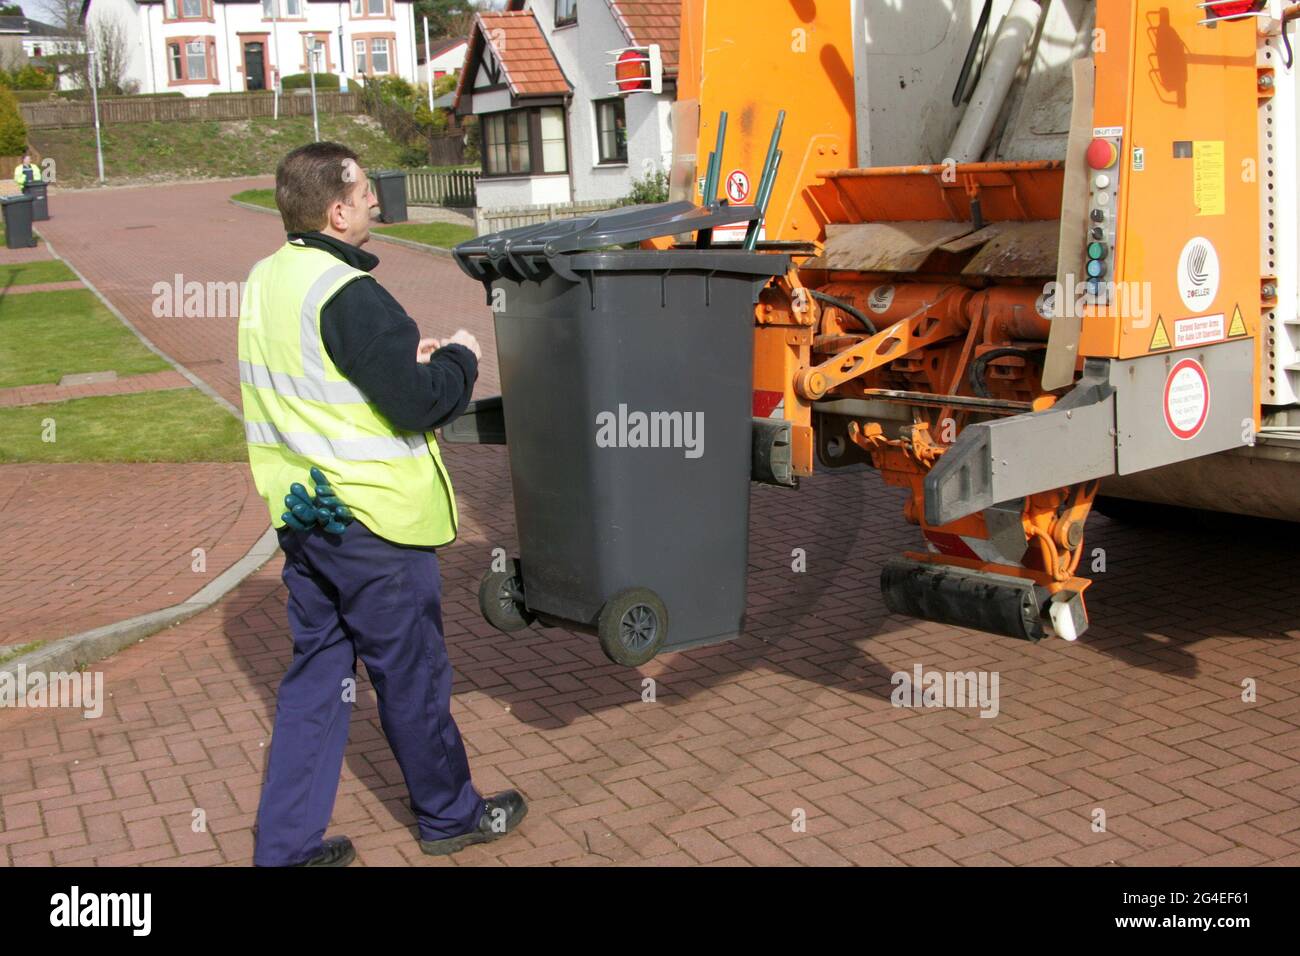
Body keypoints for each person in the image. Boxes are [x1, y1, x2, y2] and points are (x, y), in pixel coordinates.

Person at [238, 141, 526, 867]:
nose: (375, 199)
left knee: (316, 682)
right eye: (364, 191)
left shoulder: (266, 281)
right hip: (374, 525)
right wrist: (457, 358)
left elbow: (324, 378)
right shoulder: (349, 294)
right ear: (336, 211)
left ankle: (286, 848)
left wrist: (402, 360)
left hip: (306, 517)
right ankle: (450, 815)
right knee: (412, 675)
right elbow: (415, 403)